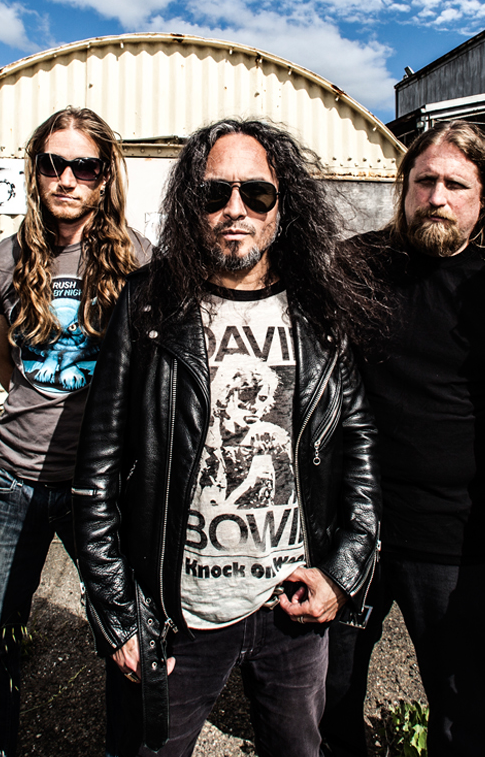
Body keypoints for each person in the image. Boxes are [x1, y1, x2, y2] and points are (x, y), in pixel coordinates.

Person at [73, 118, 387, 757]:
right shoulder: (149, 304)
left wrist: (343, 572)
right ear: (193, 205)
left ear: (283, 204)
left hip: (291, 608)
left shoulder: (320, 308)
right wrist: (119, 616)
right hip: (176, 614)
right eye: (215, 193)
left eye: (256, 193)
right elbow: (98, 469)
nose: (235, 209)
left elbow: (359, 443)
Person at [321, 121, 485, 757]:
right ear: (405, 188)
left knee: (468, 708)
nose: (437, 197)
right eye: (425, 181)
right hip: (352, 524)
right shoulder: (355, 267)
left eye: (456, 184)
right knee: (328, 694)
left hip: (458, 536)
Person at [0, 107, 151, 756]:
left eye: (84, 167)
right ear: (36, 171)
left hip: (99, 489)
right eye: (54, 164)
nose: (67, 178)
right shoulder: (2, 261)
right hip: (13, 480)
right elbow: (4, 364)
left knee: (128, 636)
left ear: (104, 177)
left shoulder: (138, 261)